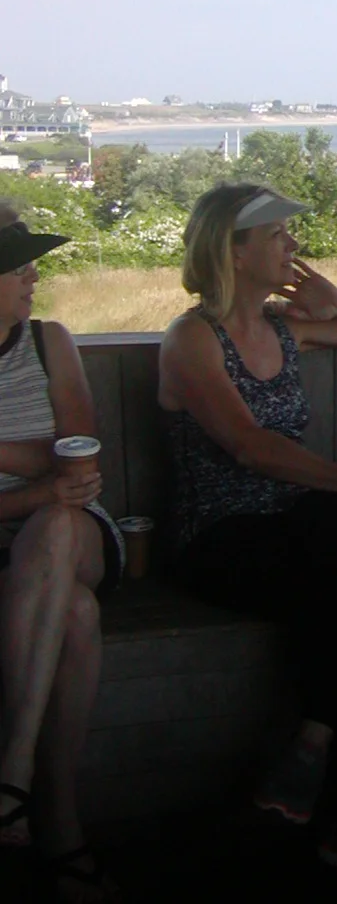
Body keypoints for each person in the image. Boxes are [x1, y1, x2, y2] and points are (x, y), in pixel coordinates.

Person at [158, 183, 337, 889]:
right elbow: (247, 446)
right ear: (234, 251)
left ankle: (313, 751)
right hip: (218, 538)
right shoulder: (192, 338)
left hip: (299, 533)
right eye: (277, 235)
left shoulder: (284, 327)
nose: (293, 246)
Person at [0, 202, 125, 902]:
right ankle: (59, 820)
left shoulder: (50, 342)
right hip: (25, 548)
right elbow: (49, 475)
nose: (32, 277)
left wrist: (30, 476)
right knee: (74, 614)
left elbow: (76, 467)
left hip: (75, 532)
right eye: (17, 267)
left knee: (57, 526)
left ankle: (11, 770)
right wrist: (34, 482)